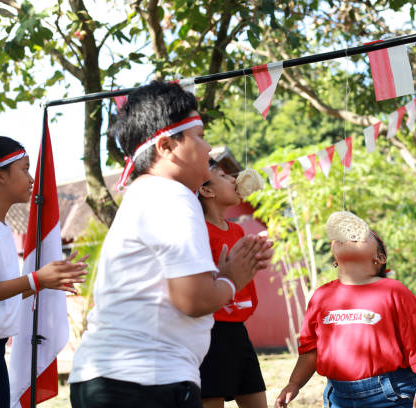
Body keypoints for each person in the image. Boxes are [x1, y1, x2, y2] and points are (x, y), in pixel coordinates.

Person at [68, 81, 273, 408]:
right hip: (144, 383)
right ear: (165, 146)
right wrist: (233, 278)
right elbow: (193, 300)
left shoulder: (143, 193)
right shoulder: (173, 195)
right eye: (201, 136)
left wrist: (219, 274)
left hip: (114, 379)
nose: (209, 150)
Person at [0, 136, 88, 408]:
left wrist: (42, 282)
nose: (32, 179)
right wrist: (35, 279)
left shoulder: (0, 226)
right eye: (25, 168)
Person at [276, 211, 416, 408]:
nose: (349, 237)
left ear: (379, 258)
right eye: (342, 237)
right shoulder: (321, 296)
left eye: (360, 235)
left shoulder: (395, 291)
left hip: (391, 393)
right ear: (335, 258)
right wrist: (294, 383)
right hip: (338, 396)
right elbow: (311, 351)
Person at [197, 159, 267, 408]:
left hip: (238, 330)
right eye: (224, 176)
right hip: (210, 331)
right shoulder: (196, 231)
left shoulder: (237, 231)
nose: (234, 180)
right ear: (207, 190)